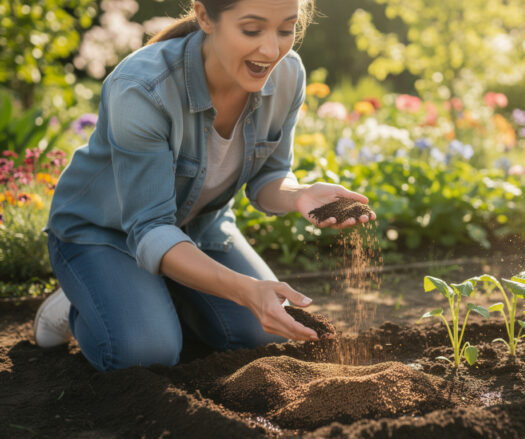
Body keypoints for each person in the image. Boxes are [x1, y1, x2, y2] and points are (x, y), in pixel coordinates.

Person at [34, 0, 375, 372]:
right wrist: (246, 291)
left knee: (268, 335)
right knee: (146, 353)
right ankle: (81, 303)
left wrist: (299, 195)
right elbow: (150, 228)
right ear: (204, 16)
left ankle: (153, 297)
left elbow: (269, 178)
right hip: (103, 233)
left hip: (198, 228)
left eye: (286, 29)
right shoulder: (142, 88)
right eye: (251, 29)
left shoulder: (287, 74)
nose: (271, 50)